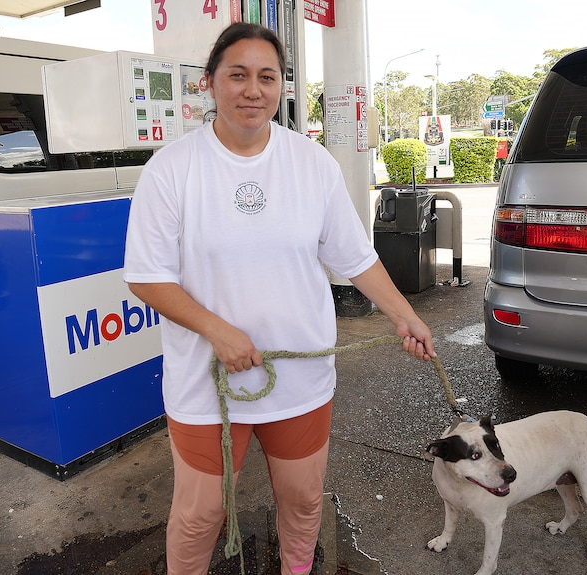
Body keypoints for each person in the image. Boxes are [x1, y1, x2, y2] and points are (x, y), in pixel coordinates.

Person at [123, 21, 435, 575]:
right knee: (200, 515)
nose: (252, 89)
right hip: (206, 381)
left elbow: (353, 256)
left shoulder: (313, 164)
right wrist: (220, 331)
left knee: (303, 500)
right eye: (237, 74)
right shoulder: (171, 170)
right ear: (209, 83)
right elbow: (147, 278)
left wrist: (404, 316)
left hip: (299, 375)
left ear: (282, 87)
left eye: (267, 77)